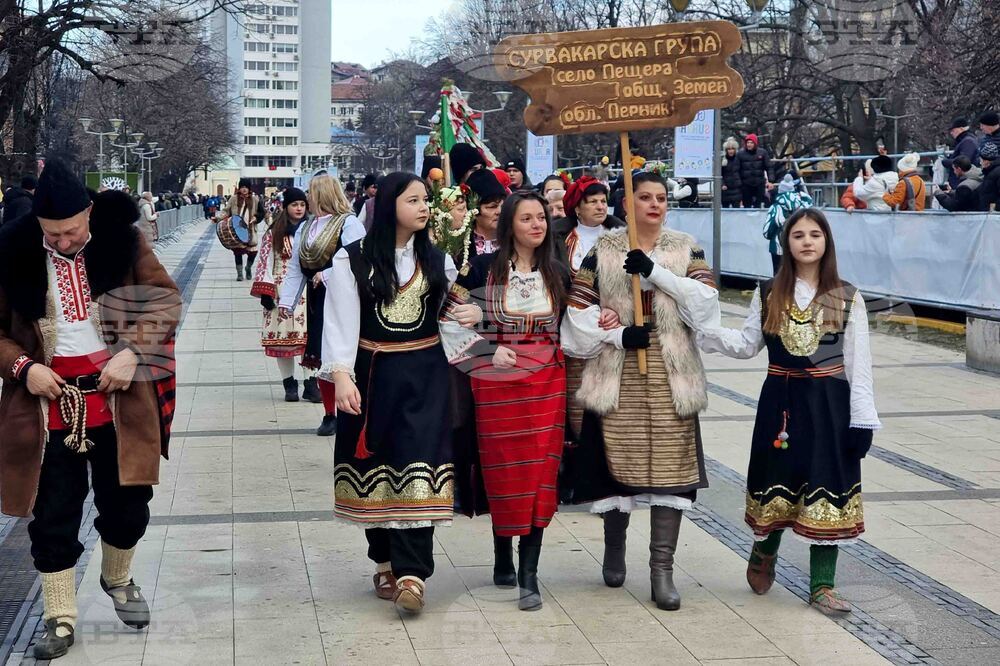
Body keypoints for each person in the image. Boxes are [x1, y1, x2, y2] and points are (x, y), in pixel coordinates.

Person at [0, 159, 180, 659]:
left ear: (89, 213)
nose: (62, 242)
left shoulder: (124, 241)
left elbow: (165, 302)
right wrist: (22, 368)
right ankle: (59, 616)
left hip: (119, 401)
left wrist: (132, 353)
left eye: (71, 231)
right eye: (52, 234)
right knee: (53, 513)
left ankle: (116, 577)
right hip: (46, 405)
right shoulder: (11, 251)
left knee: (128, 508)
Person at [697, 207, 879, 614]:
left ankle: (823, 585)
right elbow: (747, 344)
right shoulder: (768, 293)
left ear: (827, 242)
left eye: (815, 234)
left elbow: (858, 363)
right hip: (780, 405)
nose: (807, 242)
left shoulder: (847, 296)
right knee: (777, 481)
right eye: (798, 235)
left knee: (828, 486)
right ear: (786, 244)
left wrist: (863, 420)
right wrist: (701, 332)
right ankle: (765, 551)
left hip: (830, 407)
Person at [561, 171, 719, 612]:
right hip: (619, 371)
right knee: (618, 463)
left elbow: (706, 305)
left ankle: (661, 570)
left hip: (672, 373)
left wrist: (657, 274)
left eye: (661, 197)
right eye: (644, 197)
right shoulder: (603, 249)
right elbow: (575, 315)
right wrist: (612, 330)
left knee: (671, 469)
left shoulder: (687, 247)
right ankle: (614, 548)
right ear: (627, 205)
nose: (654, 204)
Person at [322, 172, 466, 614]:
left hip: (426, 378)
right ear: (389, 206)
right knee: (377, 468)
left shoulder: (438, 259)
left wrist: (471, 316)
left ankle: (412, 575)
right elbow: (341, 320)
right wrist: (341, 375)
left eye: (425, 200)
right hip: (373, 375)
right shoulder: (352, 259)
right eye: (413, 200)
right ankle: (384, 560)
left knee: (420, 465)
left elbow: (450, 314)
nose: (423, 207)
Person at [440, 191, 569, 611]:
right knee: (503, 470)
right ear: (509, 223)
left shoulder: (558, 272)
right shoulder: (481, 268)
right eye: (526, 218)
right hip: (496, 384)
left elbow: (578, 321)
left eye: (541, 217)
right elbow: (447, 318)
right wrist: (486, 349)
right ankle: (501, 552)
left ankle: (529, 574)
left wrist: (606, 318)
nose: (537, 225)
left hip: (547, 384)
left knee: (540, 473)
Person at [278, 175, 366, 436]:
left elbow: (360, 257)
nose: (308, 198)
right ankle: (330, 414)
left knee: (343, 351)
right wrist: (287, 301)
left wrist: (327, 274)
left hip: (345, 295)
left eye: (311, 193)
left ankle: (353, 409)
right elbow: (296, 268)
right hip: (318, 298)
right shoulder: (306, 227)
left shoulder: (348, 223)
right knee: (323, 355)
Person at [251, 187, 310, 401]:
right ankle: (289, 384)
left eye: (302, 205)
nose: (299, 208)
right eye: (294, 205)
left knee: (308, 339)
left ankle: (310, 382)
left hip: (307, 291)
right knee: (282, 339)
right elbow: (265, 261)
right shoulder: (274, 232)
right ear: (286, 207)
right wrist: (266, 292)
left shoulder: (311, 229)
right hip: (280, 289)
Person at [553, 176, 625, 276]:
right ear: (577, 208)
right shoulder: (560, 238)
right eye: (593, 202)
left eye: (603, 201)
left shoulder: (621, 236)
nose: (600, 207)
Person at [764, 174, 814, 275]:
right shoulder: (804, 207)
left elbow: (767, 232)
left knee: (779, 276)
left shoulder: (776, 207)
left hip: (778, 247)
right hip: (797, 246)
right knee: (796, 276)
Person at [219, 179, 260, 281]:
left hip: (251, 229)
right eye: (242, 187)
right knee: (238, 252)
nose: (244, 189)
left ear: (249, 188)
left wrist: (256, 218)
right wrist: (218, 218)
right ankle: (240, 274)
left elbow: (262, 212)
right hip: (237, 229)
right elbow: (226, 211)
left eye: (246, 187)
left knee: (253, 252)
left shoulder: (255, 199)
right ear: (239, 188)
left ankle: (248, 267)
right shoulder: (233, 199)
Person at [465, 169, 507, 257]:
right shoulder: (461, 245)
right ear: (474, 211)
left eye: (503, 206)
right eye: (492, 207)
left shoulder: (514, 241)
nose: (499, 211)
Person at [942, 118, 980, 188]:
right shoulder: (965, 140)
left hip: (963, 180)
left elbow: (964, 161)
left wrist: (946, 161)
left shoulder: (968, 141)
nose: (951, 133)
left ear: (961, 129)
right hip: (962, 179)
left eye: (953, 130)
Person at [737, 133, 771, 208]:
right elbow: (737, 169)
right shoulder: (740, 154)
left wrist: (771, 180)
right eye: (748, 142)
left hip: (759, 182)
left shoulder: (763, 152)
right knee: (747, 204)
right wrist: (739, 183)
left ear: (755, 143)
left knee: (758, 204)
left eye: (751, 143)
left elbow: (769, 167)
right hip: (745, 183)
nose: (749, 144)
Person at [721, 137, 743, 207]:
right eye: (729, 149)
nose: (731, 151)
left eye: (732, 149)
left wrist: (740, 185)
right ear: (726, 150)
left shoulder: (739, 160)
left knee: (736, 210)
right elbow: (719, 175)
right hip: (725, 189)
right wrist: (722, 184)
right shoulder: (722, 161)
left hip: (736, 189)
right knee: (725, 210)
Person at [978, 142, 1000, 212]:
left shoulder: (995, 173)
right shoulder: (989, 172)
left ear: (986, 161)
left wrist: (995, 207)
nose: (980, 163)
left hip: (993, 214)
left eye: (980, 160)